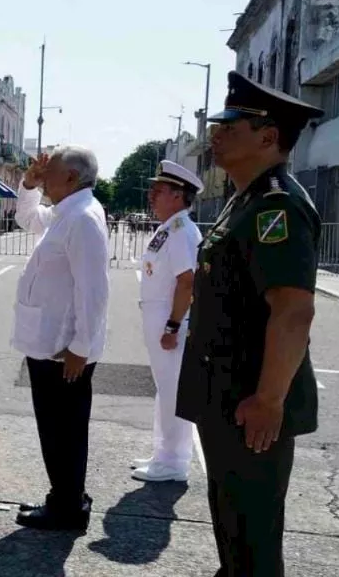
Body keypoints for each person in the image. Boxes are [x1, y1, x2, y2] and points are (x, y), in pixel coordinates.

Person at [178, 71, 323, 577]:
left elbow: (293, 310)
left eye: (231, 124)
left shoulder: (276, 204)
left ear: (267, 136)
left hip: (249, 401)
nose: (216, 133)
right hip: (227, 396)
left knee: (253, 541)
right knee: (234, 530)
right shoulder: (246, 200)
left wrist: (269, 400)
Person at [10, 145, 110, 531]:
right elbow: (27, 218)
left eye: (49, 170)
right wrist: (29, 183)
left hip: (62, 350)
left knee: (61, 430)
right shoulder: (68, 211)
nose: (42, 172)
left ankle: (66, 506)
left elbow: (94, 291)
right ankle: (68, 495)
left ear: (71, 177)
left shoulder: (82, 218)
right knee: (60, 427)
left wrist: (80, 348)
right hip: (51, 343)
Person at [132, 159, 204, 483]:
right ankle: (163, 453)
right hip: (158, 315)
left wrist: (173, 326)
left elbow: (187, 281)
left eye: (158, 190)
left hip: (169, 320)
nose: (151, 195)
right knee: (165, 388)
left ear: (177, 195)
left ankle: (174, 462)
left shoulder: (181, 231)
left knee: (174, 390)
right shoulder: (169, 228)